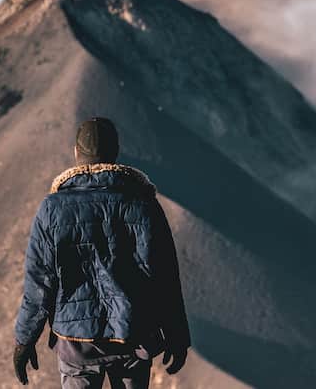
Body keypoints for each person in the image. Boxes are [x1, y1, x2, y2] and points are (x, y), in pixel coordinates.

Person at [13, 117, 192, 387]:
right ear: (115, 152)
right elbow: (165, 278)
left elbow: (39, 284)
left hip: (77, 344)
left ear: (76, 153)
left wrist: (25, 340)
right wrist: (177, 336)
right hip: (133, 337)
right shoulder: (143, 204)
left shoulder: (52, 209)